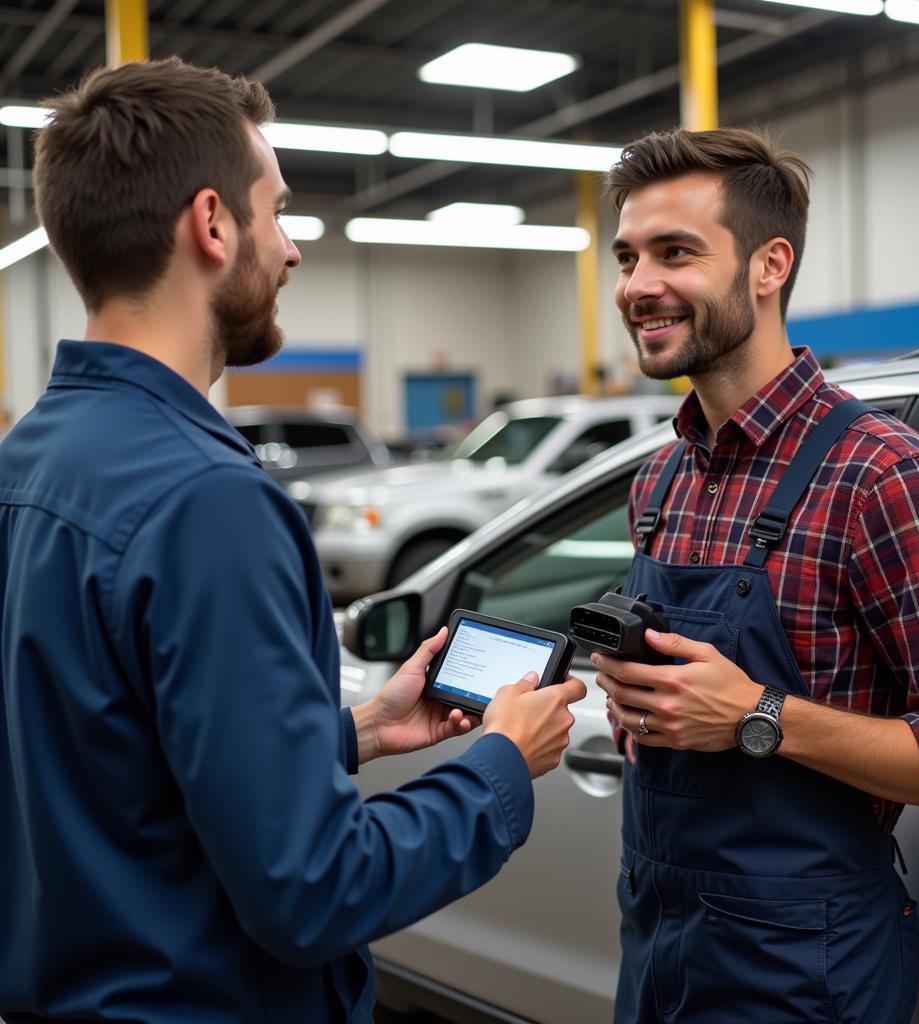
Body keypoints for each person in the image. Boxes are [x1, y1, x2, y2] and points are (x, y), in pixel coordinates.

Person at [0, 58, 586, 1023]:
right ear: (212, 224)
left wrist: (348, 736)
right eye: (277, 211)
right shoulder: (207, 501)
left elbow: (107, 764)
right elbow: (313, 891)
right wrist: (499, 768)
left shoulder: (30, 459)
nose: (293, 249)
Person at [592, 126, 919, 1023]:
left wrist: (755, 717)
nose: (638, 287)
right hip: (658, 932)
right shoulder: (662, 479)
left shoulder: (883, 476)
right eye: (627, 257)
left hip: (803, 968)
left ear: (768, 264)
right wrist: (644, 708)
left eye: (676, 252)